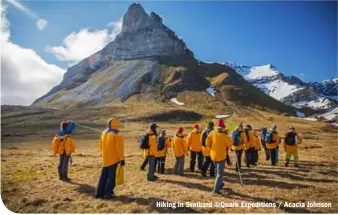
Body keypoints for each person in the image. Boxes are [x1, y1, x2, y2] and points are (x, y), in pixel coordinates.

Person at [95, 118, 125, 199]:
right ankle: (108, 193)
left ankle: (99, 193)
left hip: (105, 158)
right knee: (111, 177)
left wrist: (105, 153)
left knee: (103, 176)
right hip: (114, 159)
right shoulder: (117, 134)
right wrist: (122, 159)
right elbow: (119, 148)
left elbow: (100, 146)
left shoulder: (103, 133)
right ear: (116, 124)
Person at [206, 119, 232, 194]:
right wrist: (228, 136)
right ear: (223, 126)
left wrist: (211, 148)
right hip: (221, 156)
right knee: (219, 174)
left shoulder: (212, 132)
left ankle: (220, 184)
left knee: (217, 171)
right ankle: (216, 190)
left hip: (213, 155)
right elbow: (230, 144)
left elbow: (207, 142)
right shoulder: (224, 135)